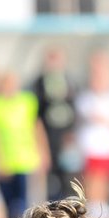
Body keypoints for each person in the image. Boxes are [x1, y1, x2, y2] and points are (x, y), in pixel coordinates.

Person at [0, 71, 48, 218]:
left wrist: (44, 152)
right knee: (8, 202)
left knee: (23, 203)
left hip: (25, 159)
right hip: (5, 161)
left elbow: (37, 127)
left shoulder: (28, 102)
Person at [74, 51, 109, 218]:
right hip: (92, 145)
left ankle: (103, 205)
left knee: (105, 177)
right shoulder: (86, 97)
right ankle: (93, 206)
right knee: (93, 177)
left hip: (108, 145)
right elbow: (95, 116)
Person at [32, 47, 78, 200]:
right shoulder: (39, 84)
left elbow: (74, 110)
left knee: (69, 177)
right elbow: (36, 117)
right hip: (48, 138)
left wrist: (72, 136)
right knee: (51, 181)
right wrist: (41, 145)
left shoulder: (69, 81)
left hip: (66, 139)